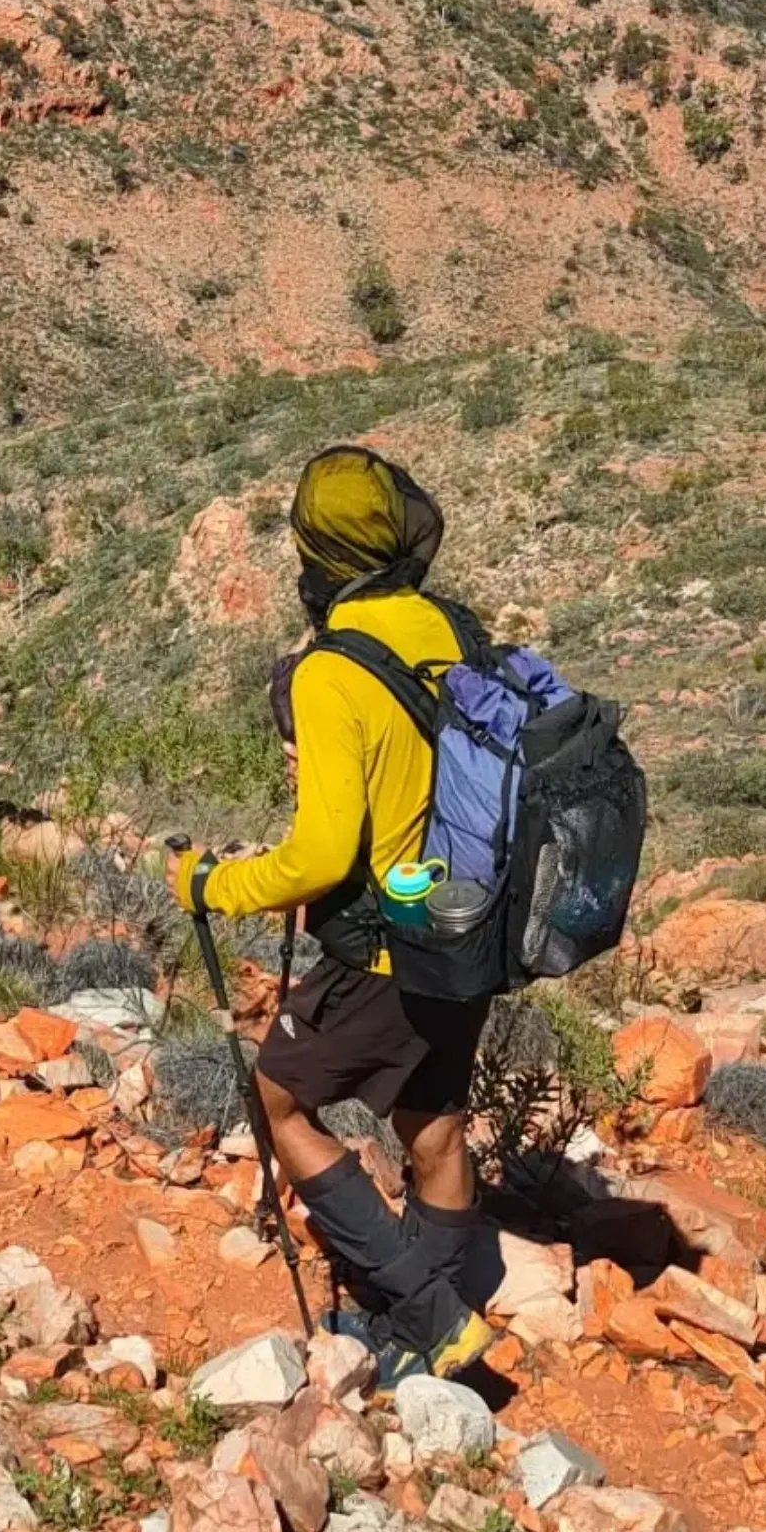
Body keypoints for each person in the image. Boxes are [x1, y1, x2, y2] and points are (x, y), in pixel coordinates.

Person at [170, 446, 496, 1387]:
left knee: (278, 1100)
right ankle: (432, 1332)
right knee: (431, 1121)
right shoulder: (452, 628)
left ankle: (430, 1314)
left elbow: (319, 857)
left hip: (387, 941)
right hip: (465, 925)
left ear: (314, 552)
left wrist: (210, 885)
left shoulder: (329, 671)